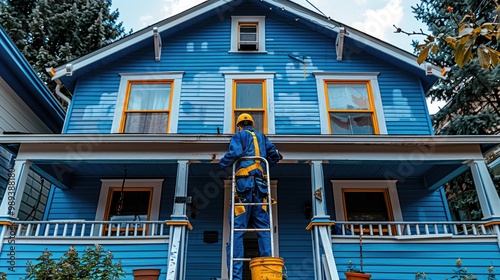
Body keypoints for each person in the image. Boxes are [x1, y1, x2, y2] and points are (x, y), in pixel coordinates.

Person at [220, 113, 282, 280]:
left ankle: (236, 276)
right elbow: (275, 155)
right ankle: (267, 271)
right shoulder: (262, 137)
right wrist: (263, 164)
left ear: (239, 125)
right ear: (252, 124)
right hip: (260, 188)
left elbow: (236, 152)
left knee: (238, 230)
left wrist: (222, 163)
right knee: (263, 228)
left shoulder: (239, 135)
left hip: (243, 188)